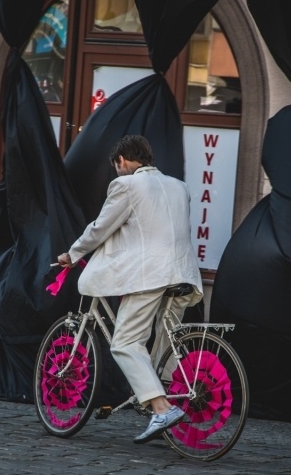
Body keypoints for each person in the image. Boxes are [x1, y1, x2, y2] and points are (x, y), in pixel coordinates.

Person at [57, 134, 203, 444]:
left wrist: (73, 253)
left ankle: (162, 409)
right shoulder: (179, 186)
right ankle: (169, 403)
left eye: (116, 166)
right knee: (163, 344)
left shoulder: (126, 185)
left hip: (150, 275)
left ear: (121, 161)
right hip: (183, 273)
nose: (117, 171)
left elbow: (101, 227)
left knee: (125, 341)